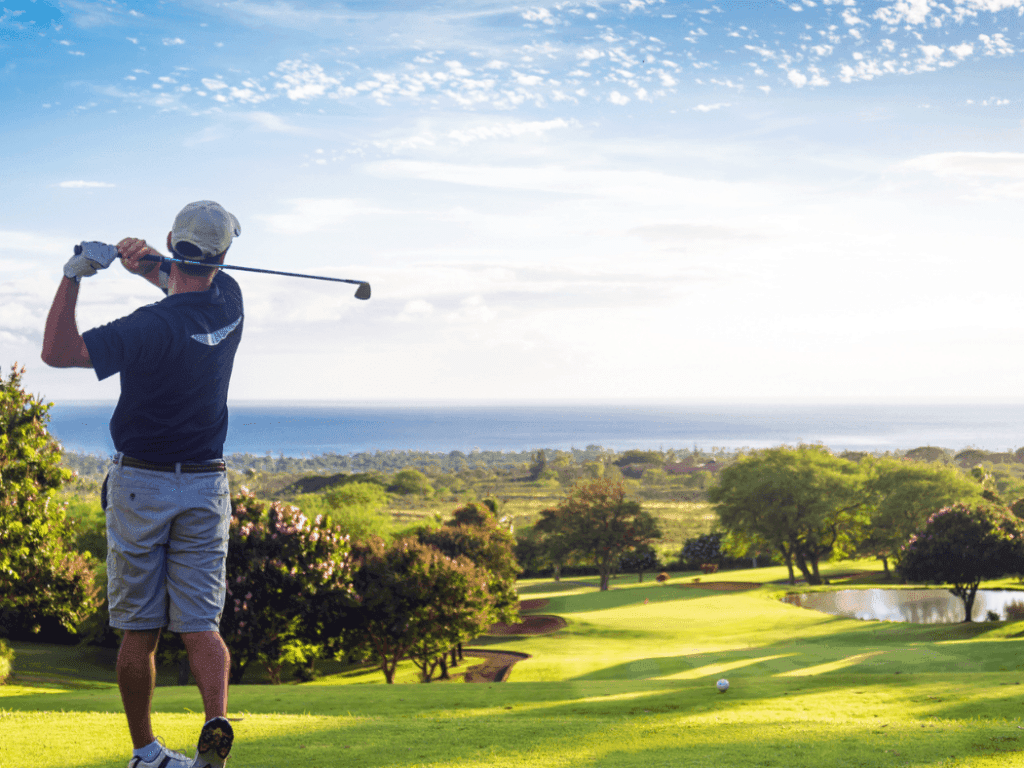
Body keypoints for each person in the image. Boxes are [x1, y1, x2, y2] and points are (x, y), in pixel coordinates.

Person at [41, 201, 244, 768]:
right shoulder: (230, 300)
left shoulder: (146, 327)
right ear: (224, 255)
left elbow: (57, 353)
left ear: (172, 242)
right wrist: (146, 264)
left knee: (141, 629)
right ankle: (214, 729)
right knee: (201, 623)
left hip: (141, 488)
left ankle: (145, 751)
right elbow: (181, 280)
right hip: (206, 485)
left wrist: (73, 276)